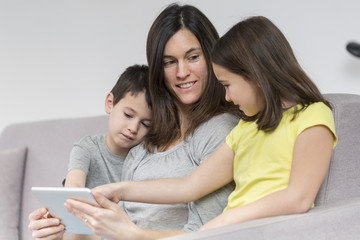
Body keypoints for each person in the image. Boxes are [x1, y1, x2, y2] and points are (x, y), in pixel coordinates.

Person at [64, 15, 338, 238]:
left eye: (228, 85)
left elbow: (298, 198)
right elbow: (189, 186)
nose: (227, 96)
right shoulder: (245, 131)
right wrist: (120, 190)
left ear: (254, 75)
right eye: (170, 63)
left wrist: (223, 223)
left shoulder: (313, 116)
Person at [28, 4, 240, 240]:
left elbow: (207, 235)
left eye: (193, 57)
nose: (182, 72)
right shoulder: (146, 135)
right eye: (169, 62)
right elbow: (112, 229)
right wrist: (59, 231)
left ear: (212, 56)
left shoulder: (219, 130)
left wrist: (132, 234)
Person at [30, 64, 152, 240]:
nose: (133, 128)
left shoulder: (145, 157)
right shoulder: (87, 148)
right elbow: (73, 191)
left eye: (145, 124)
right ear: (110, 103)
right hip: (87, 230)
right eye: (128, 115)